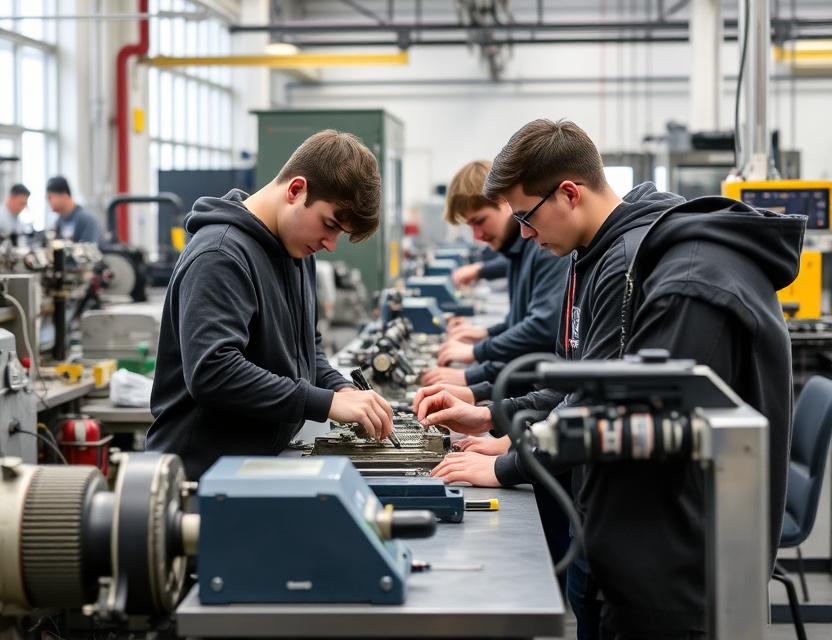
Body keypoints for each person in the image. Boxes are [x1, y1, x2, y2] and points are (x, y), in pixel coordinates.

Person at [415, 119, 804, 639]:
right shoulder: (592, 257)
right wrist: (492, 416)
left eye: (526, 218)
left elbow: (613, 415)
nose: (524, 235)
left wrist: (509, 464)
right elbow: (573, 382)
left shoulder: (652, 271)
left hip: (671, 567)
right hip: (616, 534)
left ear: (569, 194)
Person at [146, 130, 394, 480]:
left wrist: (341, 388)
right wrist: (324, 404)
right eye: (329, 225)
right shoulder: (220, 255)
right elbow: (213, 371)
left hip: (257, 466)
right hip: (201, 479)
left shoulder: (296, 252)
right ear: (296, 190)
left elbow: (307, 348)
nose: (330, 244)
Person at [421, 160, 569, 398]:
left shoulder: (544, 247)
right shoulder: (516, 250)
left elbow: (543, 330)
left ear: (505, 203)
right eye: (470, 226)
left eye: (479, 221)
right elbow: (517, 321)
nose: (477, 236)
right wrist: (485, 333)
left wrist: (476, 356)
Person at [46, 176, 104, 246]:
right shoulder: (58, 222)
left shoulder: (86, 220)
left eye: (50, 197)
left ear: (64, 195)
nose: (48, 201)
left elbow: (91, 251)